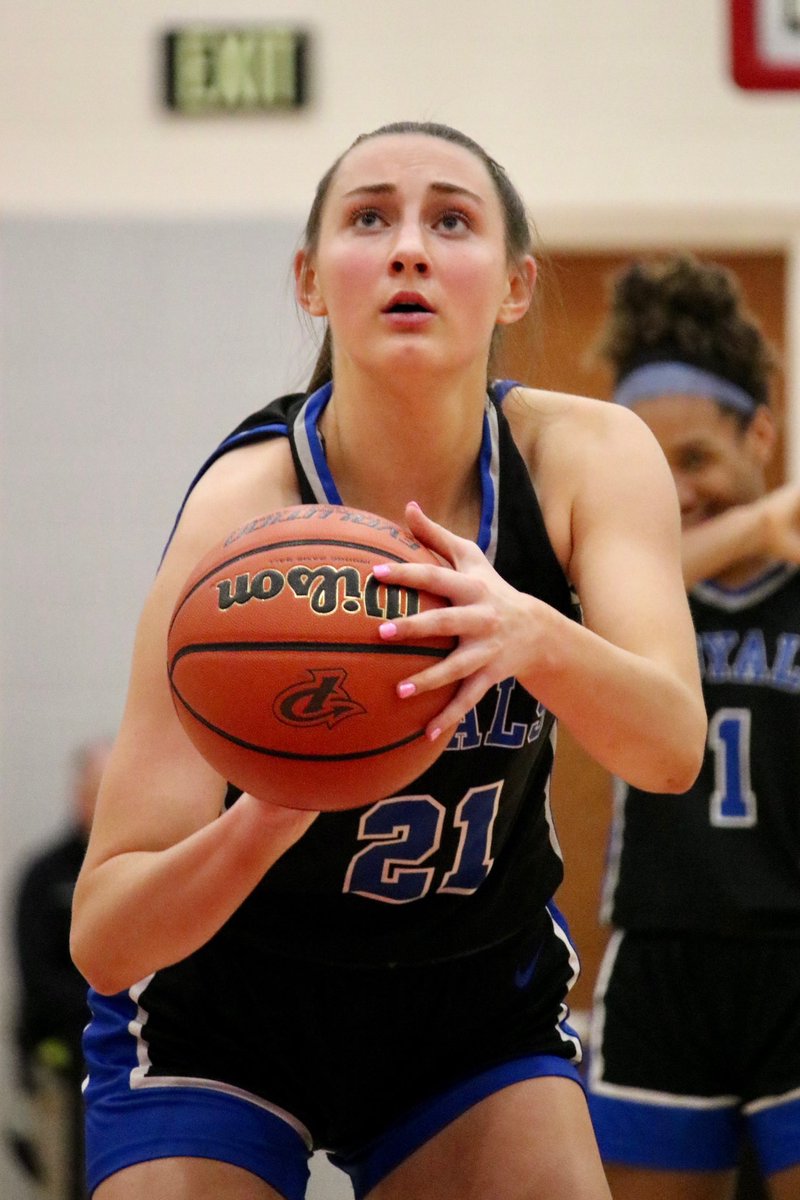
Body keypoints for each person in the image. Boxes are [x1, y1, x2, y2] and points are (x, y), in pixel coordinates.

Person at [69, 121, 705, 1200]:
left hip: (469, 996)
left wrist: (530, 633)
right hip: (223, 1003)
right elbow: (106, 935)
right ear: (312, 282)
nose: (409, 247)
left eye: (451, 220)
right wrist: (264, 816)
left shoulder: (586, 460)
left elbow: (670, 750)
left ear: (514, 285)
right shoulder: (240, 514)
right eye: (370, 218)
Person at [586, 255, 800, 1200]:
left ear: (763, 433)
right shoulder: (625, 593)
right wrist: (756, 525)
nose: (675, 492)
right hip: (661, 951)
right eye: (650, 467)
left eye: (698, 459)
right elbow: (593, 598)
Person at [10, 737, 112, 1200]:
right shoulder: (45, 875)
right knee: (65, 1183)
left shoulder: (141, 871)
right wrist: (105, 1011)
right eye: (100, 791)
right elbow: (39, 981)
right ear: (80, 795)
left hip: (126, 1068)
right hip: (61, 1066)